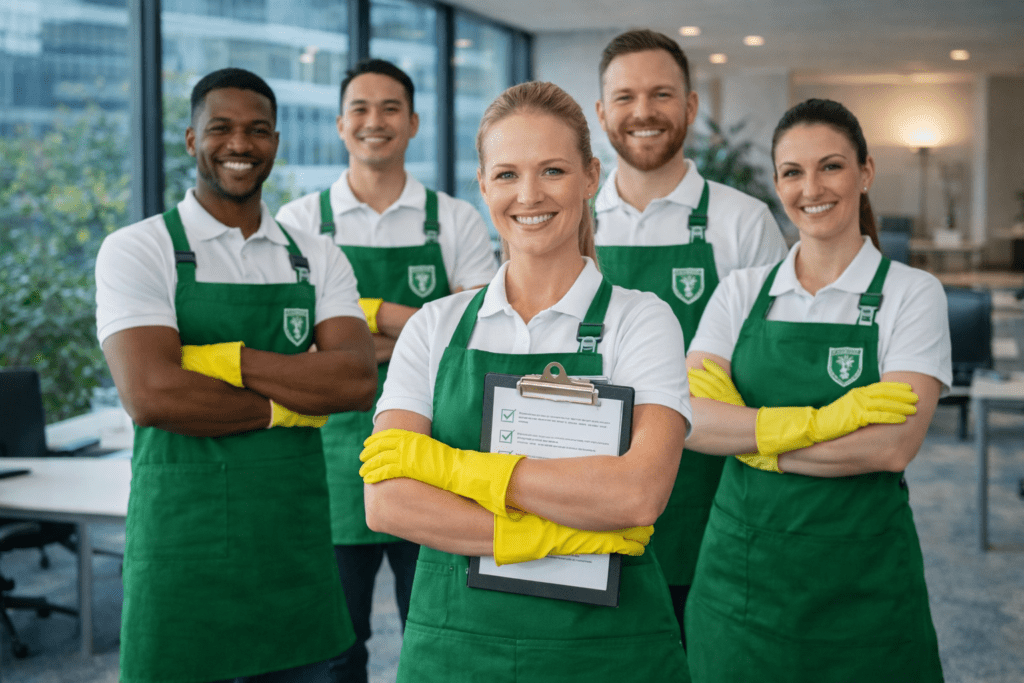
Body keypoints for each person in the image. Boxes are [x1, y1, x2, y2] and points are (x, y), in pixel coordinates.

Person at [356, 81, 692, 682]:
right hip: (455, 650)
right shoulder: (435, 328)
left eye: (553, 170)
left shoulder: (640, 320)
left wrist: (458, 470)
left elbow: (638, 493)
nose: (529, 195)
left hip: (605, 651)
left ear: (590, 176)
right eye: (507, 174)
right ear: (483, 185)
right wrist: (565, 533)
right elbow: (388, 501)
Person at [96, 68, 377, 683]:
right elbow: (152, 395)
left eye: (257, 130)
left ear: (276, 140)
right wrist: (290, 402)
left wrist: (225, 360)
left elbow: (356, 381)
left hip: (294, 550)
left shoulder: (316, 256)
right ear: (192, 140)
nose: (240, 145)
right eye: (221, 128)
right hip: (183, 551)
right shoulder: (138, 249)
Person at [682, 98, 949, 681]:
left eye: (830, 166)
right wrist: (822, 423)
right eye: (792, 172)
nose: (811, 188)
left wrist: (750, 437)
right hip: (740, 579)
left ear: (865, 173)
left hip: (862, 581)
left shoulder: (912, 293)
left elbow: (890, 447)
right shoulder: (741, 290)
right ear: (778, 183)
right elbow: (693, 419)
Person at [275, 58, 497, 683]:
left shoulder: (452, 219)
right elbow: (295, 358)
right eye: (362, 109)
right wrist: (419, 327)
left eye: (391, 108)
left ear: (414, 122)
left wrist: (360, 323)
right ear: (341, 125)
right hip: (327, 461)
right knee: (333, 647)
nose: (376, 122)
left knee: (433, 628)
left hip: (434, 455)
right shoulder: (298, 224)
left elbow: (475, 336)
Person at [592, 28, 789, 635]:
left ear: (691, 106)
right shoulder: (568, 224)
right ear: (601, 114)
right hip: (590, 496)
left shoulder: (743, 223)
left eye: (661, 94)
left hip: (713, 497)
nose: (643, 112)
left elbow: (772, 369)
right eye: (624, 97)